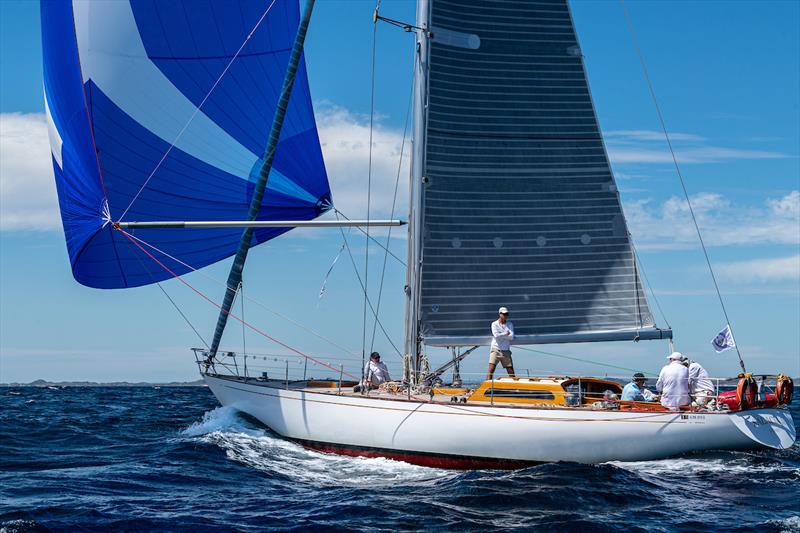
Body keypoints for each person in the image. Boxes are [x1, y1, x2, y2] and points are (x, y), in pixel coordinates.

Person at [487, 307, 516, 379]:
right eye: (504, 314)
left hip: (505, 350)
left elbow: (511, 337)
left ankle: (514, 387)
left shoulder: (509, 324)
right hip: (495, 349)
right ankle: (487, 386)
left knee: (511, 371)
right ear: (500, 314)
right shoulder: (494, 324)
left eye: (507, 314)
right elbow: (496, 336)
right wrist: (505, 333)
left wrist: (501, 335)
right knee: (491, 370)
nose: (506, 315)